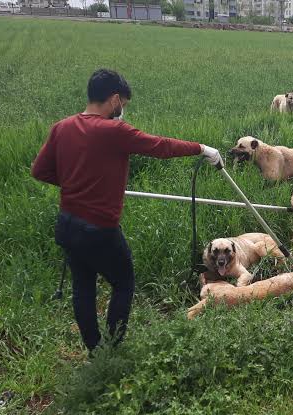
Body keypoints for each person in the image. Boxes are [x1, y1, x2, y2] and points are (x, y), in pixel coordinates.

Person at [31, 69, 222, 353]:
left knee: (82, 287)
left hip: (67, 225)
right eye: (124, 105)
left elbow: (40, 170)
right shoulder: (115, 131)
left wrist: (76, 183)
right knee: (123, 282)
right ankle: (112, 349)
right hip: (99, 229)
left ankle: (94, 349)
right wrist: (201, 148)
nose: (123, 111)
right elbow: (160, 146)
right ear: (115, 99)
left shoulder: (62, 127)